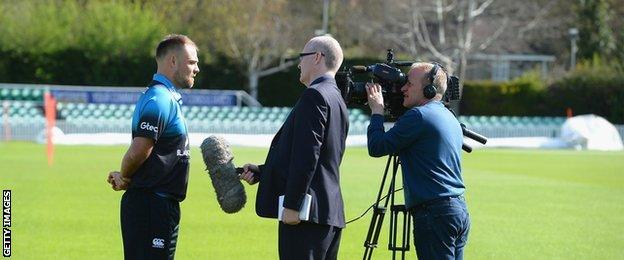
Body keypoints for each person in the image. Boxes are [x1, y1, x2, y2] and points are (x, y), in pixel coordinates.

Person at [239, 35, 348, 260]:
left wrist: (292, 204)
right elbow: (319, 157)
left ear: (317, 57)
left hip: (306, 214)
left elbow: (307, 156)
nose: (299, 63)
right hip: (328, 213)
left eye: (302, 57)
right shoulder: (336, 97)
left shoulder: (315, 95)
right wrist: (264, 171)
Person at [106, 34, 199, 259]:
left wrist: (125, 175)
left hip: (157, 205)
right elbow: (139, 149)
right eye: (192, 62)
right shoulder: (160, 99)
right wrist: (125, 176)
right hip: (151, 205)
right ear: (173, 62)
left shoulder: (164, 97)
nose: (196, 68)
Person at [365, 62, 470, 259]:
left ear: (429, 90)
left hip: (434, 213)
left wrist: (377, 111)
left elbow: (377, 146)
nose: (403, 88)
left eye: (409, 84)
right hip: (457, 210)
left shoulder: (418, 116)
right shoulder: (449, 116)